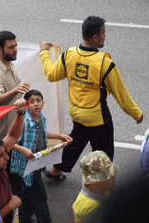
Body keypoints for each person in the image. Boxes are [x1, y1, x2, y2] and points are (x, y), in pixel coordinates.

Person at [39, 16, 143, 179]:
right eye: (103, 33)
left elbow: (51, 74)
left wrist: (44, 53)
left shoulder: (69, 54)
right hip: (97, 116)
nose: (105, 36)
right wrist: (137, 114)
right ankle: (101, 182)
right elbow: (120, 93)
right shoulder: (104, 63)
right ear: (95, 37)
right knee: (104, 152)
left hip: (76, 111)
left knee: (77, 139)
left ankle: (56, 170)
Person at [10, 90, 72, 223]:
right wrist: (24, 150)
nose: (36, 104)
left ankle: (24, 218)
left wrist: (59, 136)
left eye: (38, 100)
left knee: (26, 190)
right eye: (31, 101)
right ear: (26, 104)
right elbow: (10, 142)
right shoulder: (24, 122)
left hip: (37, 162)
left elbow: (43, 133)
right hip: (27, 165)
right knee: (40, 196)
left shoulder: (40, 117)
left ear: (43, 103)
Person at [0, 31, 30, 141]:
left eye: (16, 45)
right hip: (0, 137)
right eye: (11, 47)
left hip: (12, 130)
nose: (15, 50)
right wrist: (15, 90)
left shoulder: (9, 63)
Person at [72, 150, 117, 223]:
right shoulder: (92, 207)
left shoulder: (96, 191)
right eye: (109, 175)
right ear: (95, 181)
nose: (114, 177)